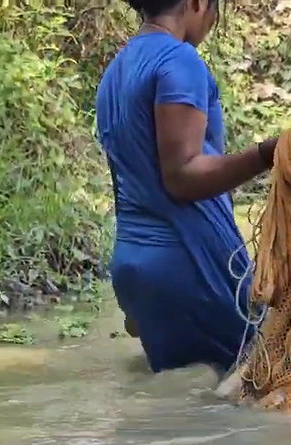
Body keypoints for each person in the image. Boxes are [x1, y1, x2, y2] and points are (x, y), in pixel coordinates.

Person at [95, 0, 278, 380]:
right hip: (191, 261)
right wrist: (266, 154)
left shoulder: (116, 69)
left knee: (180, 400)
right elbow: (183, 175)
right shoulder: (179, 61)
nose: (214, 20)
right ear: (196, 3)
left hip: (134, 264)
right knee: (258, 385)